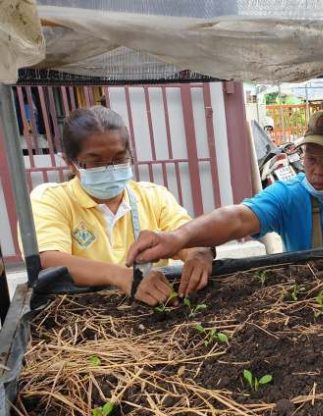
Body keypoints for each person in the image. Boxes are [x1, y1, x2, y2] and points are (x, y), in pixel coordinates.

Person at [126, 109, 323, 269]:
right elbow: (238, 218)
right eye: (310, 158)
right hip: (314, 295)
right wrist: (178, 238)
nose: (317, 170)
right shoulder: (290, 193)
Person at [30, 106, 214, 306]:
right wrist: (121, 276)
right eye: (95, 162)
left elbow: (186, 235)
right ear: (70, 163)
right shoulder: (51, 199)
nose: (110, 169)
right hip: (87, 311)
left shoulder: (153, 196)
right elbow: (49, 259)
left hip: (153, 306)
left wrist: (198, 253)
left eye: (119, 159)